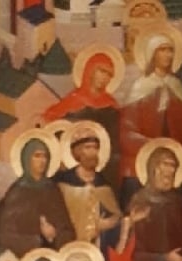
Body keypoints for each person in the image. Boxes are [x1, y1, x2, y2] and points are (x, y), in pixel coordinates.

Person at [119, 31, 182, 183]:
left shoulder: (176, 86)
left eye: (170, 50)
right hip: (143, 166)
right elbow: (126, 132)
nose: (168, 55)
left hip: (174, 165)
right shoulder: (140, 87)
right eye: (162, 50)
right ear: (152, 54)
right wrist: (151, 145)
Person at [44, 47, 123, 180]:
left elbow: (116, 139)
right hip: (73, 163)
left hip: (104, 164)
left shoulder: (111, 105)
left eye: (109, 75)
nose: (105, 78)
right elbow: (54, 127)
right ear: (90, 70)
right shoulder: (73, 100)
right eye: (101, 71)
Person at [0, 136, 75, 257]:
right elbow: (3, 236)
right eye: (37, 156)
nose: (42, 160)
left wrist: (55, 235)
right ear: (27, 158)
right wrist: (38, 238)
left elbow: (68, 230)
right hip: (24, 258)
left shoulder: (52, 190)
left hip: (53, 256)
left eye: (45, 156)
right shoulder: (17, 191)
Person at [57, 125, 121, 253]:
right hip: (69, 246)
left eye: (95, 148)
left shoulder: (103, 184)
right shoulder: (64, 183)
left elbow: (116, 216)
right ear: (78, 152)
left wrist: (108, 223)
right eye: (87, 147)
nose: (93, 152)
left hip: (97, 248)